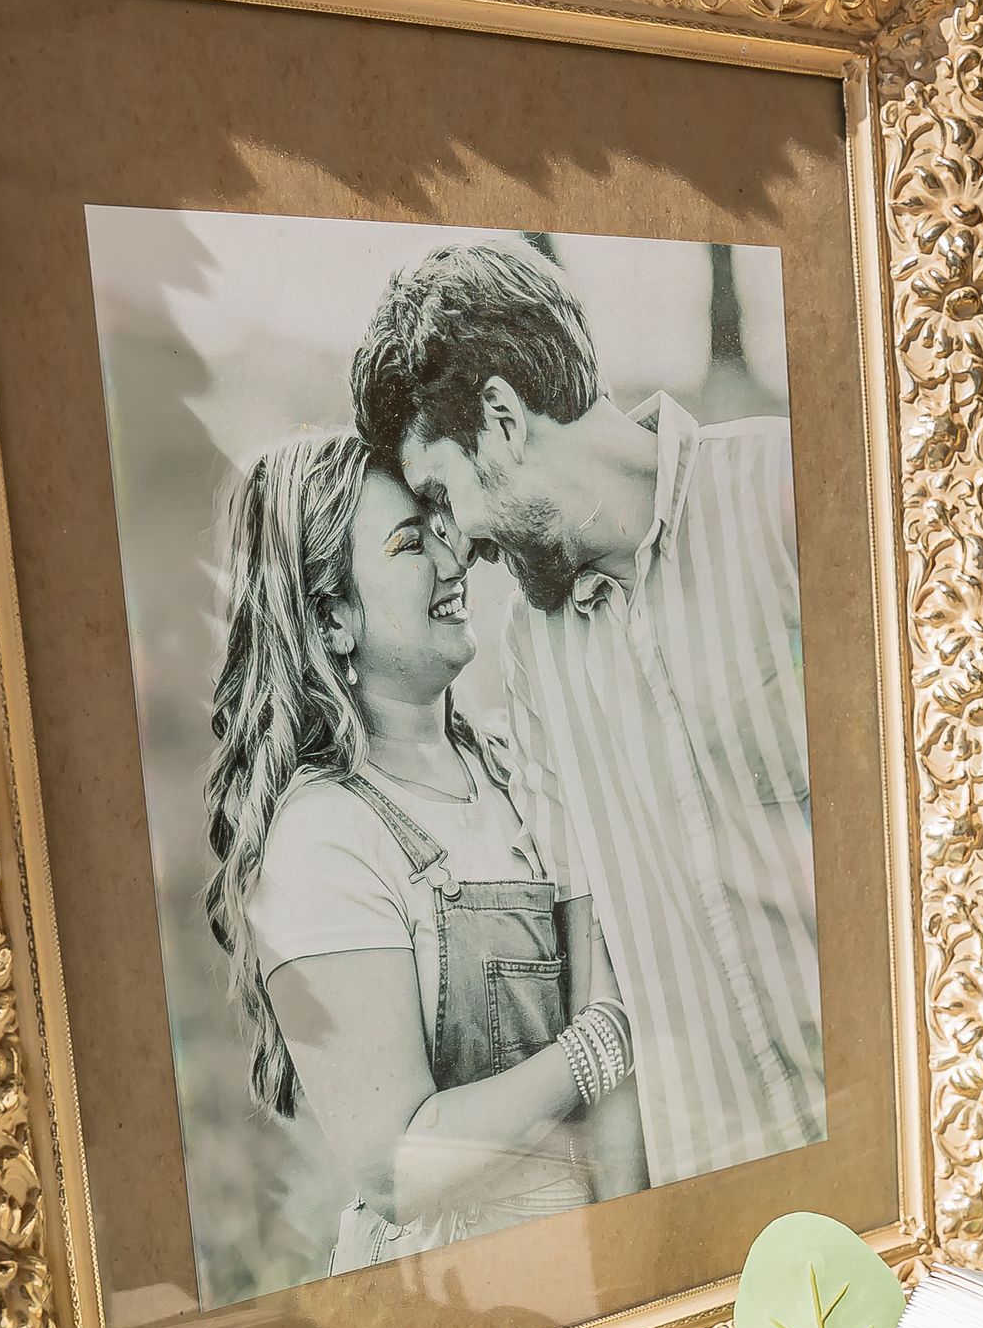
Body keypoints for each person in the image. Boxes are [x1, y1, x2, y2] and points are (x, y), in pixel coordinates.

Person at [352, 242, 824, 1187]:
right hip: (720, 1192)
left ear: (502, 421)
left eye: (445, 495)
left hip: (883, 1136)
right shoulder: (533, 654)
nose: (463, 547)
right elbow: (596, 956)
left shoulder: (789, 502)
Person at [204, 431, 647, 1273]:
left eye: (441, 525)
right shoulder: (320, 839)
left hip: (589, 1256)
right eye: (410, 542)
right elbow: (396, 1168)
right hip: (449, 1300)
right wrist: (596, 1048)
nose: (455, 558)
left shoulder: (520, 769)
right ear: (332, 618)